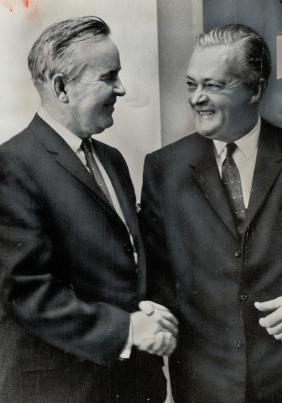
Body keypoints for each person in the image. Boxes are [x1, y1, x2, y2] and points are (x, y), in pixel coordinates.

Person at [141, 24, 282, 403]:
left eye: (214, 86)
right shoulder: (163, 168)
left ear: (255, 89)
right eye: (192, 84)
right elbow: (157, 274)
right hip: (203, 383)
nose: (197, 98)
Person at [0, 16, 177, 403]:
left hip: (131, 385)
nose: (122, 88)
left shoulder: (112, 160)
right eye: (108, 77)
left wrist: (144, 307)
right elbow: (26, 292)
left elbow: (122, 262)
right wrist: (127, 330)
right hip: (64, 389)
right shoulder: (11, 166)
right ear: (61, 87)